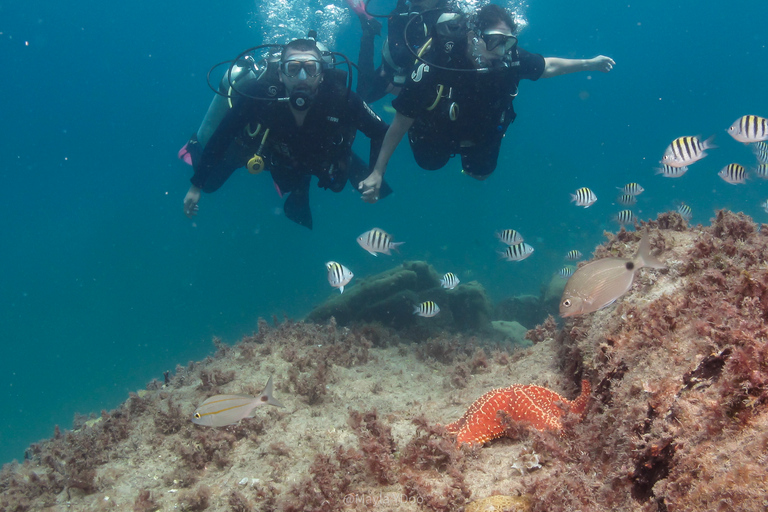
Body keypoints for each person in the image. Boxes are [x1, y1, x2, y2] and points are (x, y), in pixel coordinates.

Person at [357, 4, 615, 202]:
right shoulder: (437, 62)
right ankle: (393, 85)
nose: (501, 50)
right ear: (473, 35)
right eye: (494, 40)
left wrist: (588, 63)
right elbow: (401, 122)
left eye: (508, 41)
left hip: (481, 134)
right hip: (435, 134)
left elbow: (548, 65)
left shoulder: (509, 57)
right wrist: (378, 171)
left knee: (480, 173)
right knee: (430, 165)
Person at [182, 39, 389, 229]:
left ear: (322, 74)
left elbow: (380, 131)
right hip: (276, 155)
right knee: (210, 185)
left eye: (310, 69)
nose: (301, 78)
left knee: (336, 183)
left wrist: (376, 173)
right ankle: (194, 145)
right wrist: (196, 185)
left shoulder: (342, 99)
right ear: (280, 74)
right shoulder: (260, 94)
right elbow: (223, 135)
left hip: (317, 154)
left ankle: (300, 183)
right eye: (293, 68)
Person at [348, 0, 451, 103]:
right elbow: (399, 57)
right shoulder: (400, 14)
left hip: (431, 78)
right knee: (364, 94)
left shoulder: (451, 16)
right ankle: (369, 29)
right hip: (395, 70)